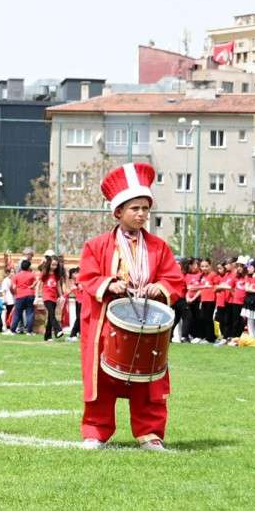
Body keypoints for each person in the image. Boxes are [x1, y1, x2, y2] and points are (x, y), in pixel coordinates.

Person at [76, 162, 184, 451]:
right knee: (103, 378)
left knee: (149, 379)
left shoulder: (159, 247)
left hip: (148, 323)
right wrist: (108, 283)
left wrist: (159, 288)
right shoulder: (97, 246)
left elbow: (174, 279)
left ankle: (150, 433)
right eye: (134, 208)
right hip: (106, 323)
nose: (141, 215)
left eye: (145, 209)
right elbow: (86, 276)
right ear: (118, 211)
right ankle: (95, 431)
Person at [11, 258, 39, 334]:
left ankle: (13, 330)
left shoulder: (16, 276)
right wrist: (32, 286)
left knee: (17, 314)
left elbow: (13, 287)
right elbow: (37, 280)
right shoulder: (32, 274)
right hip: (30, 295)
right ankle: (29, 331)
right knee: (30, 313)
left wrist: (16, 293)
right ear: (29, 267)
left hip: (20, 296)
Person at [39, 256, 63, 342]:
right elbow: (40, 284)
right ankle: (58, 330)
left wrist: (61, 296)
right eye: (53, 264)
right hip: (46, 297)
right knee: (52, 314)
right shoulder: (44, 273)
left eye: (56, 265)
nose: (54, 267)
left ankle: (47, 336)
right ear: (49, 264)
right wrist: (37, 296)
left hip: (54, 297)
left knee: (50, 317)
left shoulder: (56, 275)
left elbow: (58, 286)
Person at [66, 267, 82, 341]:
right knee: (79, 317)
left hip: (81, 300)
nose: (72, 278)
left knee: (79, 317)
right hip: (79, 300)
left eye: (72, 276)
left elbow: (81, 288)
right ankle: (77, 333)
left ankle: (73, 334)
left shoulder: (79, 278)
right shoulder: (77, 280)